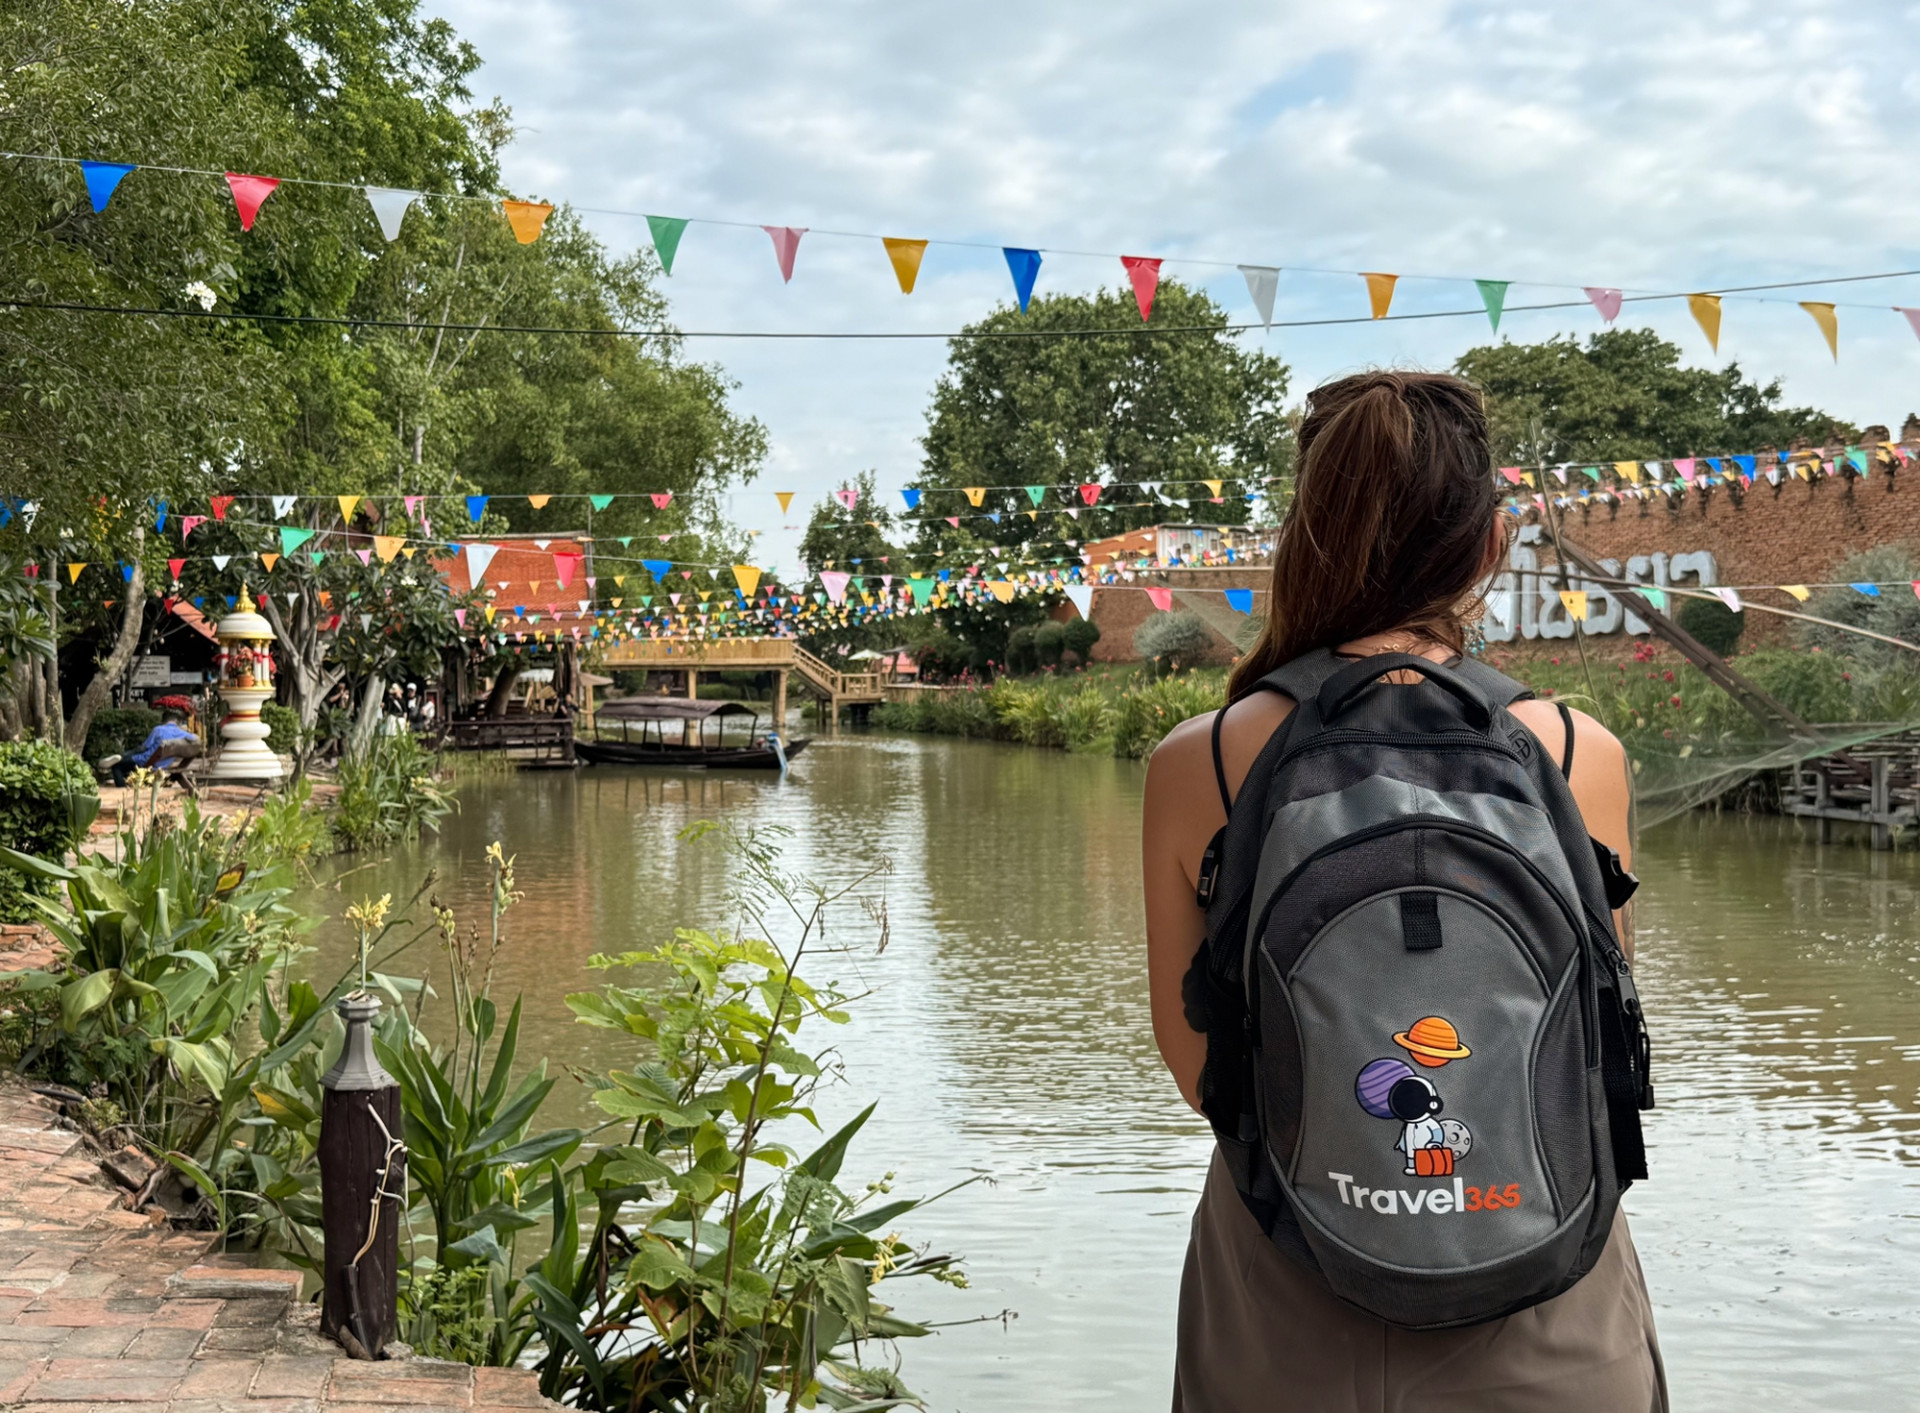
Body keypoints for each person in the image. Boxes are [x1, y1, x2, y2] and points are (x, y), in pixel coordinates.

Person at [1142, 371, 1665, 1412]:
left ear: (1305, 535)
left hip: (1279, 1300)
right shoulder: (1575, 752)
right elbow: (1594, 1031)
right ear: (1492, 544)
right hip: (1546, 1292)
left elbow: (1196, 1059)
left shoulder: (1198, 763)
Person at [106, 708, 200, 787]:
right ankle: (121, 758)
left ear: (164, 720)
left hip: (147, 762)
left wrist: (131, 752)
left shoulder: (158, 730)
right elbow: (196, 740)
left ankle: (121, 783)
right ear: (177, 722)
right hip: (164, 764)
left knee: (117, 766)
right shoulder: (182, 733)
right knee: (125, 761)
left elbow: (144, 748)